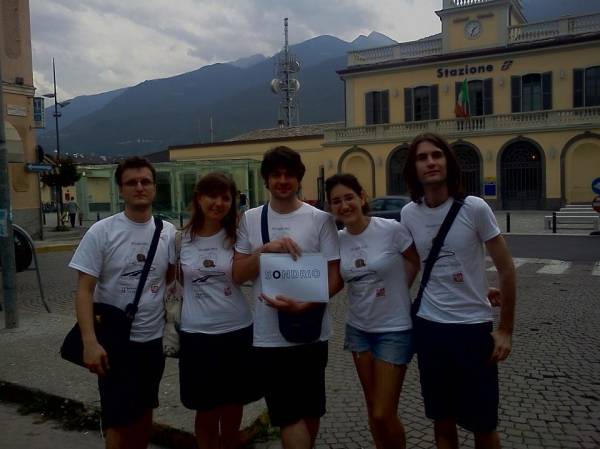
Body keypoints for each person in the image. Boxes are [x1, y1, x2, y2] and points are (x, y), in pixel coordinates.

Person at [400, 133, 516, 449]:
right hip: (430, 330)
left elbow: (506, 268)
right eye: (422, 158)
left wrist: (505, 329)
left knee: (483, 425)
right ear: (414, 169)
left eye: (436, 155)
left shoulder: (474, 208)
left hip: (472, 331)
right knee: (442, 421)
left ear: (448, 163)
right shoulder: (409, 214)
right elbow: (420, 266)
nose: (430, 162)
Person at [233, 146, 343, 449]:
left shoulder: (320, 220)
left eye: (289, 175)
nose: (283, 180)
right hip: (268, 335)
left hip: (312, 330)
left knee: (310, 410)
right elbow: (238, 274)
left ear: (299, 179)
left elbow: (336, 276)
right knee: (287, 415)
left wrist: (307, 303)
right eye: (276, 175)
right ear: (266, 180)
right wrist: (264, 251)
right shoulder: (251, 220)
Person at [69, 156, 175, 449]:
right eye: (132, 183)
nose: (139, 187)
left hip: (152, 343)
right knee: (118, 421)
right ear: (120, 189)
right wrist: (90, 342)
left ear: (154, 187)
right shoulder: (101, 232)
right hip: (115, 343)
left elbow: (172, 283)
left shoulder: (168, 233)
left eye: (145, 182)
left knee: (144, 414)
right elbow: (84, 290)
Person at [325, 173, 420, 449]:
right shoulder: (337, 240)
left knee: (383, 410)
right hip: (358, 330)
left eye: (349, 198)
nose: (344, 206)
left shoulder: (390, 229)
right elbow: (335, 281)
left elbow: (414, 260)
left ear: (361, 197)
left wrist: (399, 290)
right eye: (336, 201)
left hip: (394, 329)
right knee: (372, 408)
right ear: (331, 207)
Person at [178, 172, 254, 449]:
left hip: (237, 332)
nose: (218, 202)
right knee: (206, 413)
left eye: (225, 197)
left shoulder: (239, 237)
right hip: (197, 336)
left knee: (233, 413)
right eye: (212, 195)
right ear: (198, 198)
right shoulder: (180, 240)